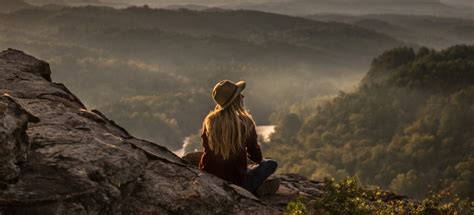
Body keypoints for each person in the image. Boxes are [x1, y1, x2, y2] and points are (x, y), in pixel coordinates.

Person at [199, 80, 280, 196]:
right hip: (237, 183)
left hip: (210, 177)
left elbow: (206, 148)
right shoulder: (245, 122)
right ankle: (253, 190)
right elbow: (255, 154)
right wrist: (260, 162)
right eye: (239, 94)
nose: (243, 96)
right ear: (235, 100)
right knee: (271, 164)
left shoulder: (210, 121)